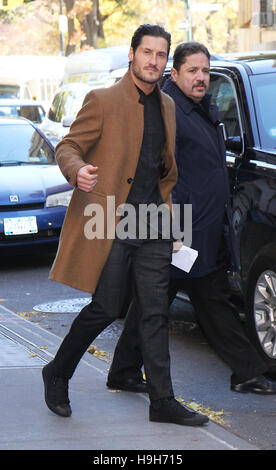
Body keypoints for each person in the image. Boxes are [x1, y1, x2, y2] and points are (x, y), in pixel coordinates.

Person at [42, 26, 208, 427]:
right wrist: (77, 170)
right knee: (106, 307)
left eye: (160, 55)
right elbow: (68, 146)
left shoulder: (167, 105)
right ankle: (58, 372)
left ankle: (162, 401)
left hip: (152, 221)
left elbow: (164, 171)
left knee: (154, 312)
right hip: (111, 221)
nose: (154, 61)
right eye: (147, 52)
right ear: (133, 55)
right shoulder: (102, 100)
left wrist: (170, 223)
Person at [107, 41, 276, 396]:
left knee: (193, 299)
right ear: (175, 74)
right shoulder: (168, 113)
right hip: (177, 229)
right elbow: (155, 174)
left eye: (205, 71)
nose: (201, 78)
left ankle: (124, 370)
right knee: (161, 302)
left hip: (203, 228)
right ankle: (245, 371)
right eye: (192, 71)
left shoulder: (200, 108)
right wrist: (170, 230)